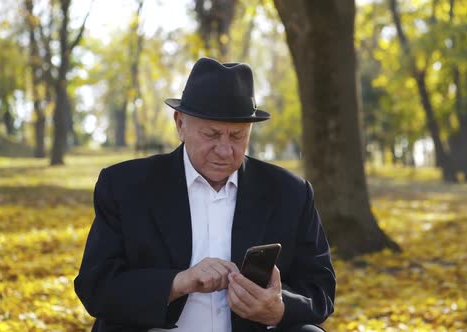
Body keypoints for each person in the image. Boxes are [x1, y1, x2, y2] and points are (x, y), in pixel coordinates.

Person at [74, 57, 335, 332]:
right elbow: (97, 286)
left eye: (237, 136)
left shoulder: (290, 193)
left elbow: (321, 290)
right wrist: (178, 282)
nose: (224, 150)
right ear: (180, 124)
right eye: (211, 134)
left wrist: (279, 308)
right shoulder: (125, 186)